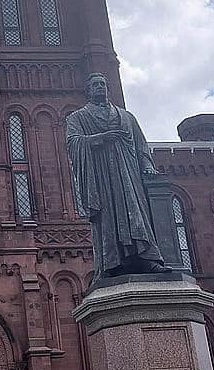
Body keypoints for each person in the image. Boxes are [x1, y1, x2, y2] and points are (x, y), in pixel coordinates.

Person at [66, 73, 168, 279]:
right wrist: (103, 138)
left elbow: (141, 146)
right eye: (95, 84)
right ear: (88, 90)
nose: (100, 87)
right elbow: (73, 143)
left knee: (137, 216)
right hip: (101, 178)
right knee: (108, 219)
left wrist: (147, 165)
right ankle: (112, 264)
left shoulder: (127, 117)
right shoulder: (78, 117)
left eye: (103, 84)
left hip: (129, 177)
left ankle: (147, 260)